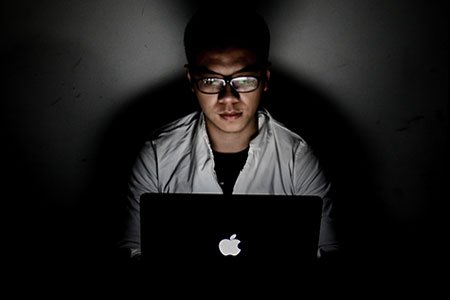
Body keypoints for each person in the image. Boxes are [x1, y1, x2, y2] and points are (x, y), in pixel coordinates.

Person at [117, 7, 340, 266]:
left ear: (265, 79)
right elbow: (134, 249)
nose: (228, 98)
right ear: (191, 80)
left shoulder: (297, 158)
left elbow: (327, 252)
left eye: (244, 79)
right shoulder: (156, 155)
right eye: (211, 80)